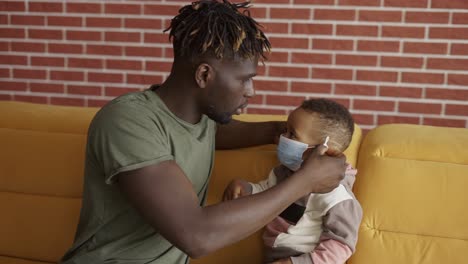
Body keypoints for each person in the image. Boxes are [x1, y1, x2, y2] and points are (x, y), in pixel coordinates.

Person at [60, 1, 347, 263]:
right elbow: (195, 236)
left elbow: (228, 132)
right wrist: (305, 181)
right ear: (204, 75)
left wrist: (288, 134)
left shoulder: (202, 122)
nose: (251, 92)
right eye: (245, 80)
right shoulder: (127, 122)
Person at [223, 98, 363, 264]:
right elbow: (268, 195)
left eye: (292, 134)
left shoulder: (337, 194)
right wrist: (247, 189)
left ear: (327, 150)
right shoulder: (283, 172)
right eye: (285, 130)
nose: (282, 138)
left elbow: (341, 245)